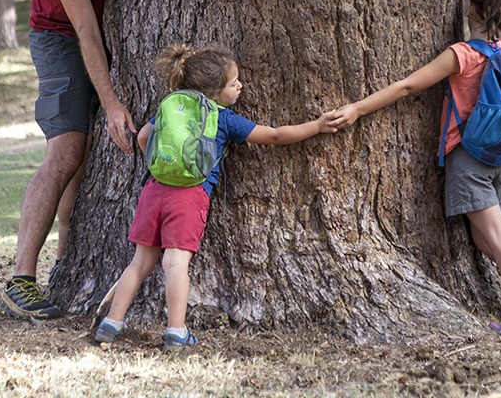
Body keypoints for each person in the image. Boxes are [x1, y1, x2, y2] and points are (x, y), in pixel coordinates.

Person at [330, 0, 501, 341]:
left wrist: (357, 109)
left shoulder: (462, 55)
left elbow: (408, 85)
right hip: (499, 157)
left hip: (468, 158)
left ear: (470, 8)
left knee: (497, 237)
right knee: (487, 240)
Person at [94, 44, 337, 348]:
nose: (240, 87)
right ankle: (176, 331)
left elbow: (144, 136)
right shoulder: (224, 118)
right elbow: (275, 136)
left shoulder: (174, 106)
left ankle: (111, 323)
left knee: (139, 263)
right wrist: (317, 125)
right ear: (214, 91)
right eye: (233, 84)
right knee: (175, 265)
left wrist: (163, 167)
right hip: (189, 196)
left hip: (154, 189)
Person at [0, 0, 136, 321]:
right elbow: (83, 32)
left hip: (101, 30)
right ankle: (20, 279)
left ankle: (69, 261)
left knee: (85, 156)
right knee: (66, 151)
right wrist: (113, 102)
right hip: (60, 38)